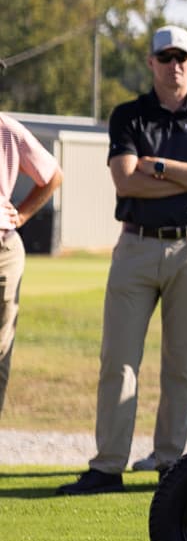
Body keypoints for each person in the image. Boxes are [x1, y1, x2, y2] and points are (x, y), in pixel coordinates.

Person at [58, 26, 187, 494]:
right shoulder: (129, 115)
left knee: (183, 362)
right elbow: (125, 182)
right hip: (137, 244)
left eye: (181, 57)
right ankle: (108, 466)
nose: (173, 64)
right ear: (151, 63)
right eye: (165, 57)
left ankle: (171, 463)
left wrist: (157, 165)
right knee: (119, 359)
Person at [1, 113, 64, 419]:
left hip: (3, 249)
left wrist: (22, 215)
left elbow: (52, 175)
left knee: (0, 349)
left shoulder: (8, 129)